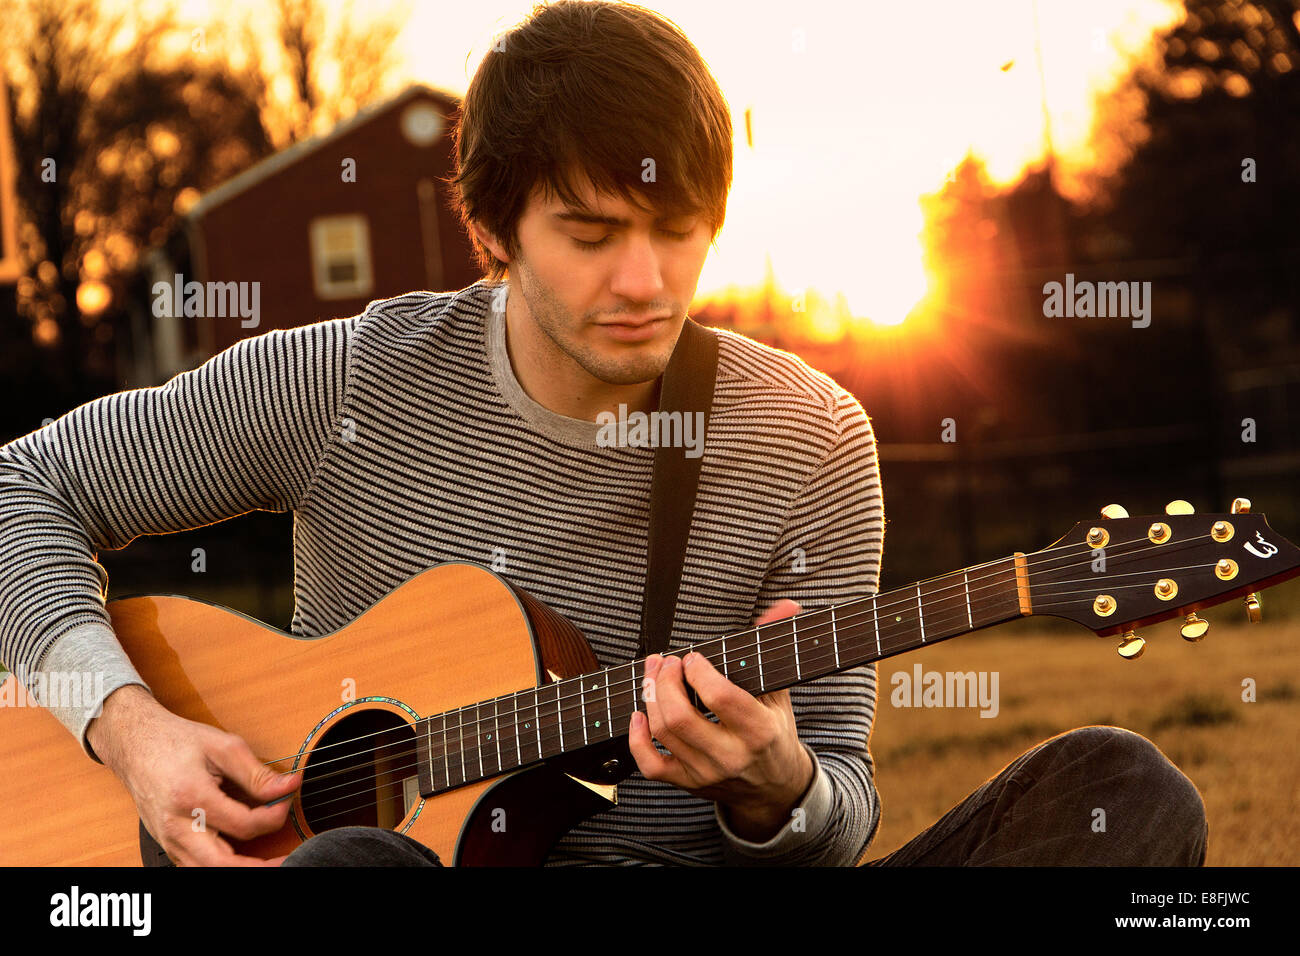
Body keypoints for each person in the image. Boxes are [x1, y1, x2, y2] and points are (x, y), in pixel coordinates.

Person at [0, 0, 1205, 868]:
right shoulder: (351, 378)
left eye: (677, 228)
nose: (643, 278)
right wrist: (131, 727)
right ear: (494, 227)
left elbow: (839, 802)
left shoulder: (809, 437)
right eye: (588, 232)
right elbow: (22, 484)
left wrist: (773, 787)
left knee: (1122, 790)